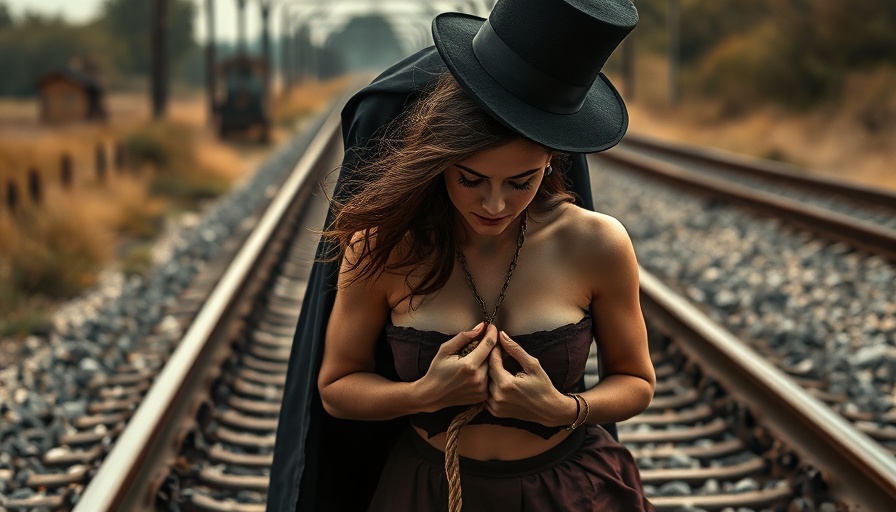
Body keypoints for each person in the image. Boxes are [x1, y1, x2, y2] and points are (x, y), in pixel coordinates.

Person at [266, 0, 656, 510]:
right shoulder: (382, 247)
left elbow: (637, 381)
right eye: (470, 179)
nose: (494, 205)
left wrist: (565, 409)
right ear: (439, 159)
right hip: (427, 494)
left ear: (552, 162)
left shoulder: (597, 243)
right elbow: (336, 387)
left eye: (521, 182)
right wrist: (421, 395)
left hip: (570, 494)